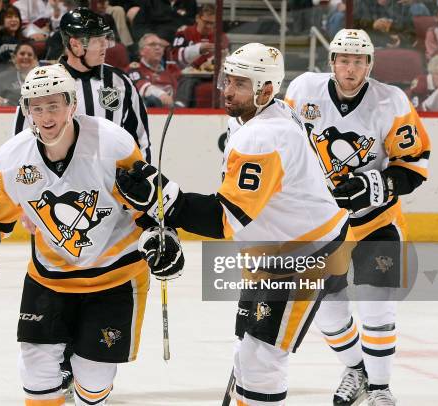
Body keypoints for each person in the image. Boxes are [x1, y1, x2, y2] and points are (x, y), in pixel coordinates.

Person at [115, 43, 354, 406]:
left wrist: (161, 197)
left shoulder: (265, 134)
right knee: (247, 347)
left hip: (304, 254)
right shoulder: (255, 116)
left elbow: (225, 219)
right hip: (277, 248)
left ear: (267, 90)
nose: (227, 90)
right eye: (228, 80)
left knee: (262, 359)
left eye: (240, 84)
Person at [0, 63, 181, 406]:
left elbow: (147, 205)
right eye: (36, 107)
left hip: (115, 279)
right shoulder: (11, 160)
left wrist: (163, 238)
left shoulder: (112, 145)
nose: (45, 115)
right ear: (26, 111)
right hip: (49, 278)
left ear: (72, 104)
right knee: (36, 373)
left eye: (54, 105)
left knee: (93, 382)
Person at [285, 29, 431, 405]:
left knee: (376, 305)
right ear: (331, 61)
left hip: (375, 222)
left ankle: (381, 391)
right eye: (344, 60)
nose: (351, 69)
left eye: (359, 61)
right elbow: (283, 139)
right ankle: (356, 370)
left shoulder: (391, 101)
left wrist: (376, 185)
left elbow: (413, 165)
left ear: (370, 64)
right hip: (321, 224)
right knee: (328, 313)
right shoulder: (303, 90)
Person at [13, 7, 150, 162]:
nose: (104, 45)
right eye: (97, 40)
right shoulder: (42, 84)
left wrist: (143, 180)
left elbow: (140, 139)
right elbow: (21, 143)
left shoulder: (121, 82)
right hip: (60, 183)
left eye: (105, 39)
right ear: (76, 45)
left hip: (111, 183)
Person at [170, 4, 229, 107]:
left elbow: (227, 59)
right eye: (206, 22)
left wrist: (222, 57)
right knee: (188, 80)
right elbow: (175, 57)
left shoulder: (220, 36)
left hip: (214, 74)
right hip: (188, 74)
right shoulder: (184, 33)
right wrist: (198, 49)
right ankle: (180, 106)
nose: (209, 26)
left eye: (212, 23)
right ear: (197, 18)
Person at [126, 33, 181, 107]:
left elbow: (178, 96)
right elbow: (139, 86)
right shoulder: (133, 69)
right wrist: (161, 94)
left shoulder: (169, 73)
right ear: (141, 51)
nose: (158, 48)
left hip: (170, 113)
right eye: (152, 44)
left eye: (161, 45)